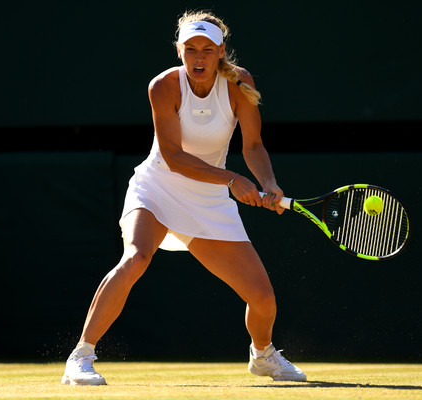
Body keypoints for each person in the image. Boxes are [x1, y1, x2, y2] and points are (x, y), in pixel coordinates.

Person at [61, 10, 306, 385]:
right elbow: (173, 157)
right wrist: (232, 179)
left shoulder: (241, 84)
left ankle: (263, 355)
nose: (199, 58)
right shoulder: (163, 86)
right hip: (158, 186)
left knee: (263, 299)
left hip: (208, 198)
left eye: (207, 49)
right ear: (179, 51)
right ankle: (81, 356)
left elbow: (253, 144)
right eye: (191, 49)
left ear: (221, 51)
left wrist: (268, 182)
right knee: (136, 258)